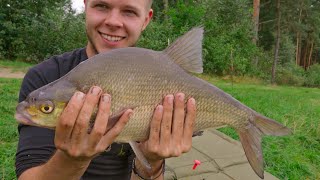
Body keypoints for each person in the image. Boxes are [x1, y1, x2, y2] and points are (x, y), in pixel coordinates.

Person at [15, 0, 197, 179]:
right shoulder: (45, 77)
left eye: (129, 11)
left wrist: (152, 161)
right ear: (85, 6)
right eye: (102, 6)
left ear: (146, 20)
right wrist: (72, 160)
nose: (113, 21)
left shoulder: (160, 71)